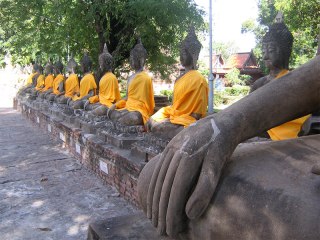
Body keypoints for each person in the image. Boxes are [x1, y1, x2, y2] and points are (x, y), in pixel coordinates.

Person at [138, 54, 320, 239]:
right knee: (154, 177)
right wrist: (226, 123)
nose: (266, 54)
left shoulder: (197, 79)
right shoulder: (261, 82)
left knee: (305, 224)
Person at [250, 16, 309, 140]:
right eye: (263, 51)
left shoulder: (296, 82)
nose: (265, 56)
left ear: (284, 52)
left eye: (270, 50)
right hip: (260, 138)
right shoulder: (259, 84)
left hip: (291, 139)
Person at [147, 28, 208, 139]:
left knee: (159, 128)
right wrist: (172, 116)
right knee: (151, 121)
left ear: (193, 55)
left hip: (188, 120)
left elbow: (197, 114)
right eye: (180, 53)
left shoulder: (199, 80)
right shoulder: (179, 79)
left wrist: (179, 118)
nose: (181, 56)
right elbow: (175, 104)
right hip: (176, 115)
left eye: (184, 53)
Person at [108, 39, 155, 126]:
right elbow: (127, 97)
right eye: (130, 58)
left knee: (134, 117)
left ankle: (124, 121)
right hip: (128, 107)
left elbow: (149, 101)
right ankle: (121, 120)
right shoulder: (130, 78)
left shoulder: (146, 78)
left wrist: (147, 114)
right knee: (114, 114)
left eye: (133, 58)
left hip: (139, 111)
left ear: (141, 60)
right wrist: (115, 105)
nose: (131, 61)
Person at [84, 44, 121, 115]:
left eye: (101, 63)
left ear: (107, 63)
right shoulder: (104, 77)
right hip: (101, 102)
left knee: (101, 108)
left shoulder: (112, 77)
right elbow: (101, 95)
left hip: (107, 104)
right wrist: (91, 100)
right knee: (89, 106)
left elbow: (113, 99)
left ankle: (91, 114)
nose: (100, 66)